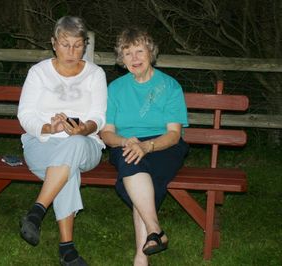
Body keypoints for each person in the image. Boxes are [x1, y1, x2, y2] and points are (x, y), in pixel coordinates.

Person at [17, 16, 107, 266]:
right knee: (67, 168)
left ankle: (36, 212)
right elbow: (25, 115)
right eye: (65, 44)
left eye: (78, 45)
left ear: (85, 45)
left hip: (86, 145)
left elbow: (99, 116)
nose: (72, 51)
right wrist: (48, 126)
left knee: (74, 146)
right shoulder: (39, 73)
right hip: (42, 144)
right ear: (54, 43)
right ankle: (67, 250)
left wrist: (84, 128)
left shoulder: (95, 74)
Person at [100, 27, 189, 266]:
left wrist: (147, 146)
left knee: (136, 175)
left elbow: (173, 134)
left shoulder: (170, 86)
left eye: (139, 51)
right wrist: (125, 141)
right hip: (125, 144)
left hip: (163, 145)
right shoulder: (115, 89)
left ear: (151, 53)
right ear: (122, 59)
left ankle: (142, 256)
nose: (135, 58)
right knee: (131, 160)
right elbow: (106, 133)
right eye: (128, 53)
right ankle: (154, 231)